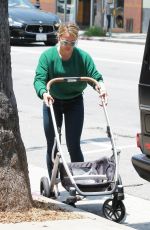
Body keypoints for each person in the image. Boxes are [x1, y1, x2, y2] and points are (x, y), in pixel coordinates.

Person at [33, 22, 107, 180]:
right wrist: (43, 93)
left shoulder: (82, 57)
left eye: (73, 43)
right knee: (54, 145)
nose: (68, 46)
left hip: (74, 102)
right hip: (52, 102)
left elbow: (95, 76)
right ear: (59, 37)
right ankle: (54, 181)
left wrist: (101, 88)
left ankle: (79, 181)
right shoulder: (48, 56)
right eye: (66, 42)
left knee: (73, 144)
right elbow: (39, 80)